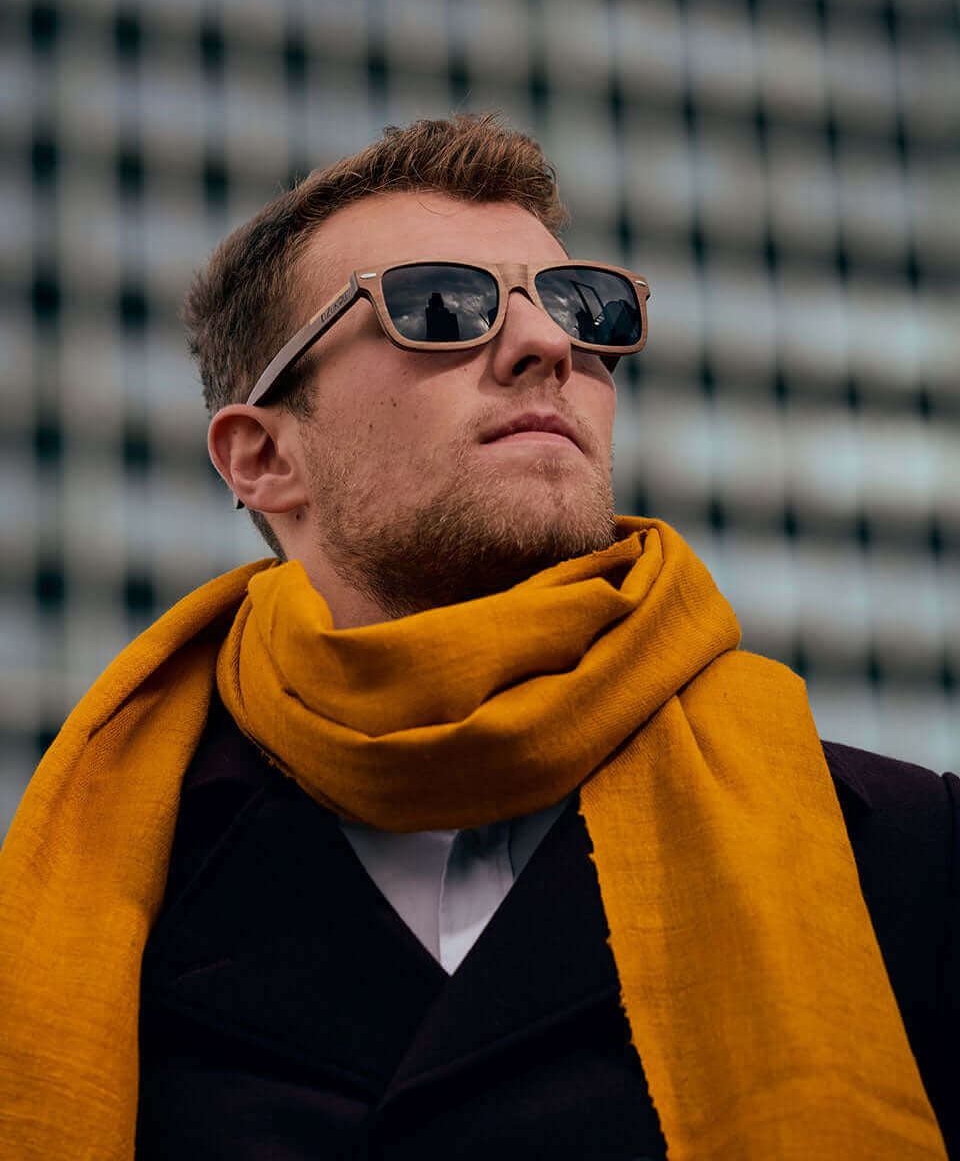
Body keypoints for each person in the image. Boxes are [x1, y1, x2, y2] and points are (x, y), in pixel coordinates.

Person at [0, 113, 956, 1161]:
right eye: (440, 307)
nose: (550, 344)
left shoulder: (910, 852)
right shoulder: (91, 909)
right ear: (263, 456)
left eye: (579, 305)